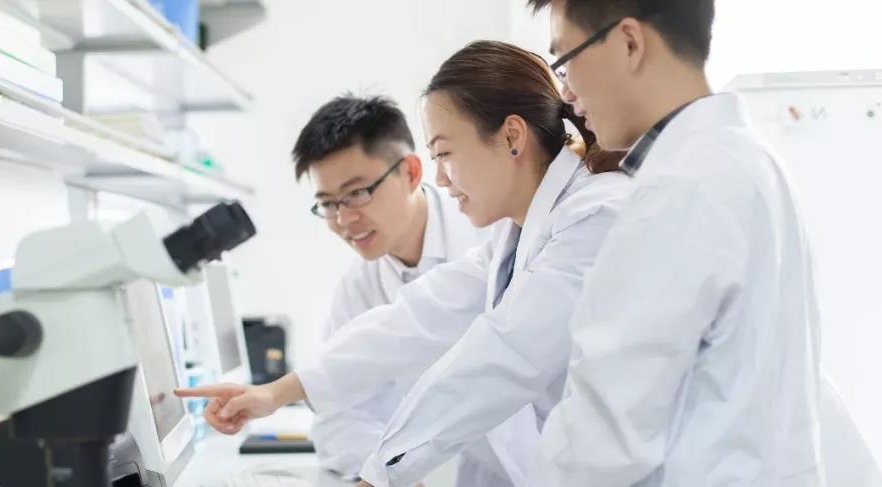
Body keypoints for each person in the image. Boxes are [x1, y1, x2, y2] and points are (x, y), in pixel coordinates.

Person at [176, 40, 634, 486]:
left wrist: (382, 475)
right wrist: (276, 393)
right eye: (330, 203)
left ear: (512, 136)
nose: (442, 179)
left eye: (445, 154)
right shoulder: (512, 237)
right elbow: (415, 318)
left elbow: (501, 359)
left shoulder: (592, 218)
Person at [518, 0, 879, 485]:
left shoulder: (678, 189)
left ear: (629, 43)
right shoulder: (749, 161)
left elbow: (602, 439)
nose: (566, 94)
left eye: (565, 60)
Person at [278, 94, 502, 483]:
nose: (344, 219)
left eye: (357, 193)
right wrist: (394, 473)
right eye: (328, 204)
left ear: (411, 172)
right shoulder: (357, 287)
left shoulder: (489, 234)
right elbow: (337, 420)